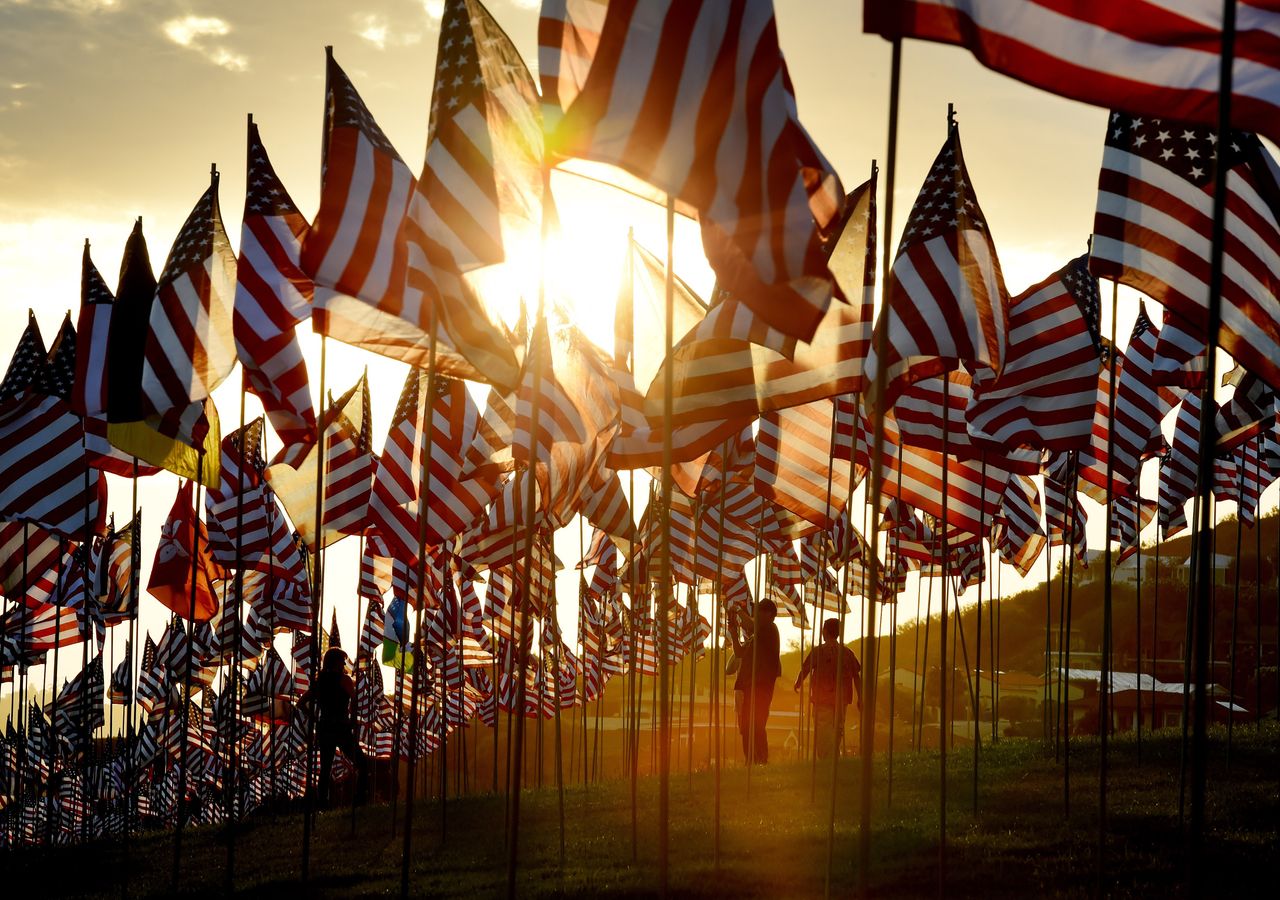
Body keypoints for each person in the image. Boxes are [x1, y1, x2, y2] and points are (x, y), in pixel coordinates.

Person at [299, 647, 370, 807]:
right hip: (341, 728)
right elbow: (355, 702)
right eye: (342, 660)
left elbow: (301, 703)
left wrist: (315, 718)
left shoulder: (320, 681)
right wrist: (351, 720)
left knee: (325, 769)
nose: (344, 663)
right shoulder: (344, 680)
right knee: (362, 764)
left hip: (325, 728)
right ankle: (359, 801)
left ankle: (322, 804)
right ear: (335, 661)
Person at [794, 618, 862, 759]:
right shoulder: (847, 653)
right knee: (837, 731)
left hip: (823, 699)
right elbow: (857, 676)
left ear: (825, 631)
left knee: (824, 733)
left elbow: (805, 669)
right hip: (842, 700)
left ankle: (827, 760)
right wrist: (860, 698)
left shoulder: (819, 651)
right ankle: (833, 760)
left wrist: (798, 683)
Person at [730, 599, 781, 764]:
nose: (755, 615)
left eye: (759, 611)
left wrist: (738, 610)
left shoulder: (770, 629)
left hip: (761, 685)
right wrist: (733, 630)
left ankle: (760, 760)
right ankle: (750, 760)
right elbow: (739, 652)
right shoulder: (755, 637)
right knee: (746, 726)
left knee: (757, 723)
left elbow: (751, 626)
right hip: (748, 685)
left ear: (769, 615)